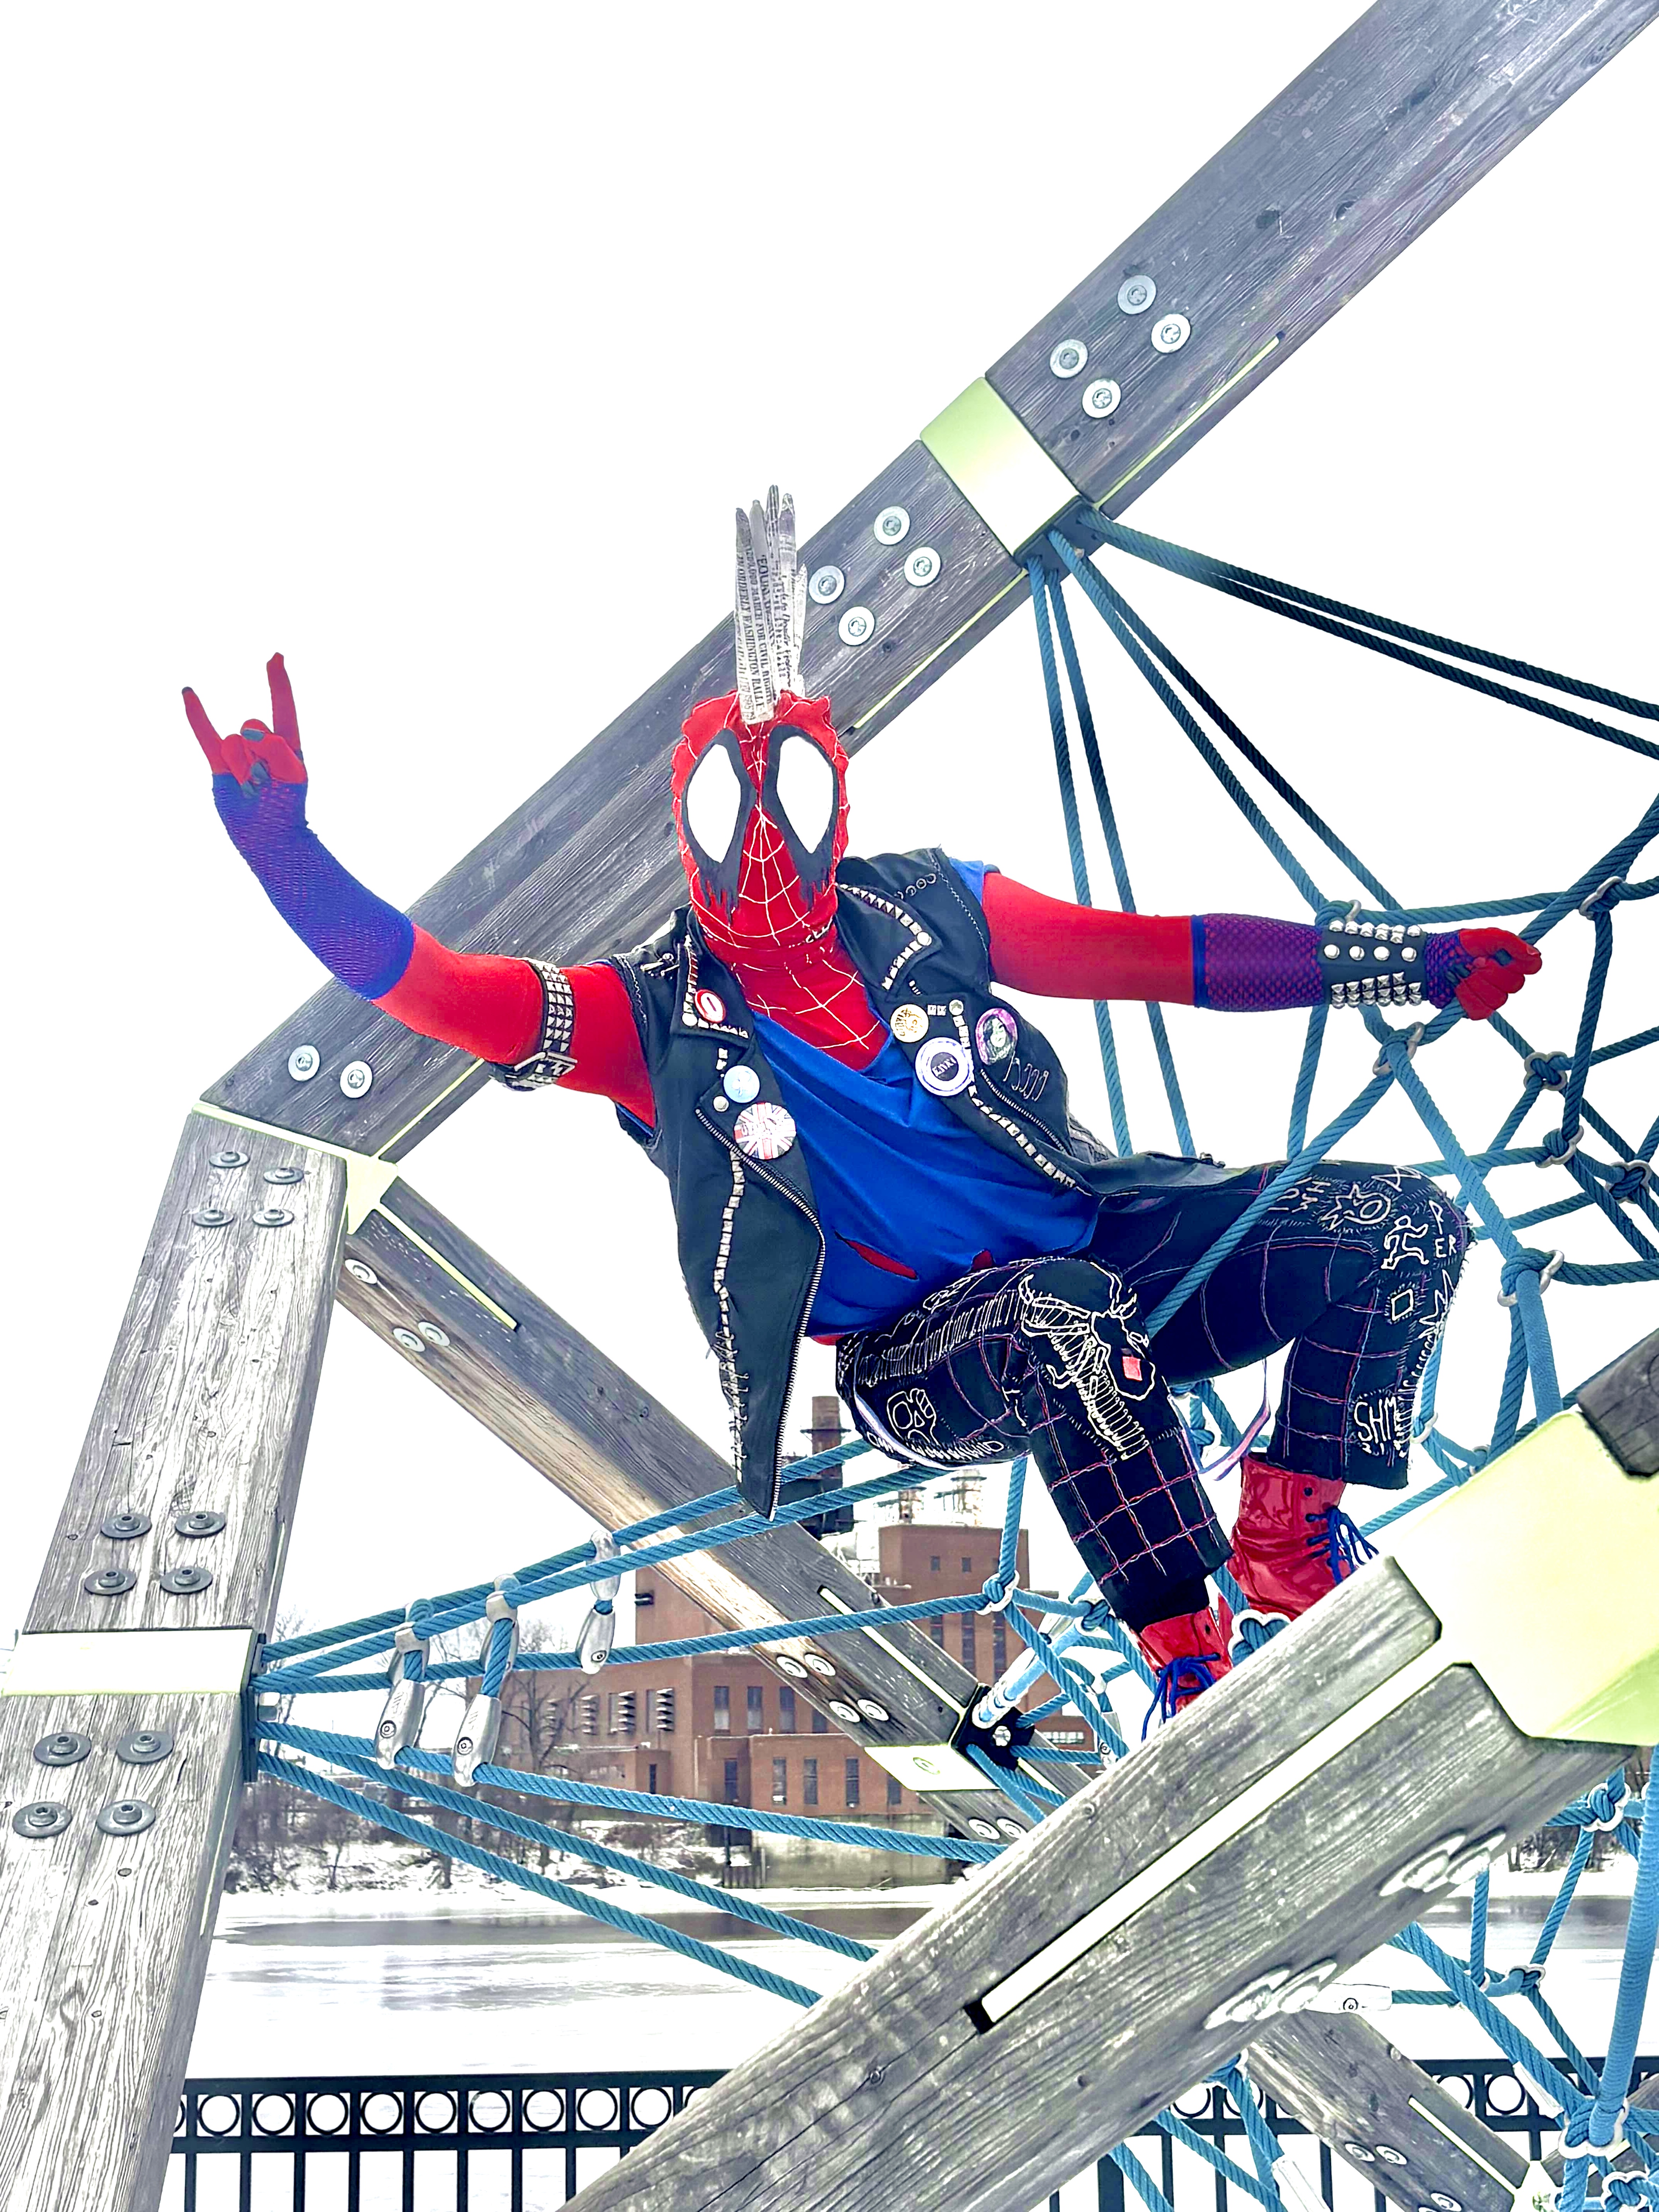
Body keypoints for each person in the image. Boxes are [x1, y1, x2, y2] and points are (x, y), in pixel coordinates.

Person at [180, 491, 1539, 1711]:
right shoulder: (648, 1020)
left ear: (837, 800)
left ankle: (1289, 1531)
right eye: (731, 809)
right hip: (920, 1361)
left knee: (1398, 1226)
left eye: (798, 796)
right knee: (1059, 1318)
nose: (767, 841)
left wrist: (1400, 964)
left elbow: (1165, 954)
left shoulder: (930, 912)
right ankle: (1194, 1662)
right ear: (688, 825)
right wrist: (289, 859)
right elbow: (431, 986)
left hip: (1113, 1264)